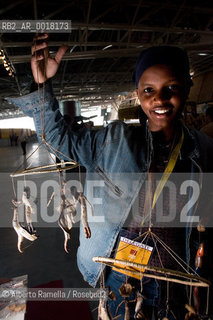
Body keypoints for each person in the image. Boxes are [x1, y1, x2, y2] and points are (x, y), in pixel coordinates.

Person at [7, 35, 213, 319]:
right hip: (121, 276)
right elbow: (55, 137)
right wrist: (42, 87)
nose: (160, 99)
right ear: (138, 92)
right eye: (149, 89)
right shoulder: (113, 141)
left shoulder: (203, 149)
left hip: (175, 278)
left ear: (188, 88)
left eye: (172, 87)